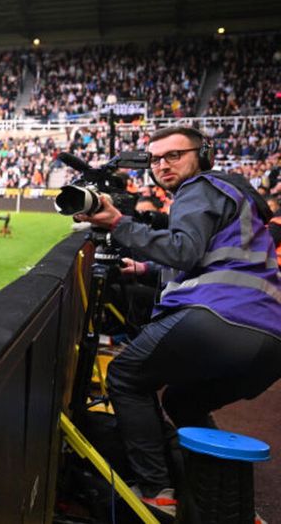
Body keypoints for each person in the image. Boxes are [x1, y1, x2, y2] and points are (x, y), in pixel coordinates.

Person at [74, 126, 281, 516]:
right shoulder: (237, 194)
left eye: (174, 155)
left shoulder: (199, 187)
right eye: (155, 159)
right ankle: (224, 500)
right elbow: (212, 256)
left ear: (203, 155)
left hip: (219, 319)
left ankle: (157, 490)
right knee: (183, 402)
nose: (163, 165)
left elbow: (184, 251)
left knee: (125, 376)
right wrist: (146, 268)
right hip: (271, 343)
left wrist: (119, 223)